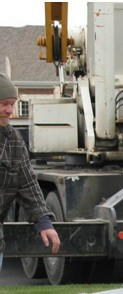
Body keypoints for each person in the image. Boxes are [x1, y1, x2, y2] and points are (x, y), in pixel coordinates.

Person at [0, 73, 60, 272]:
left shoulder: (13, 140)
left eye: (12, 104)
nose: (9, 111)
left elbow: (27, 184)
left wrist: (44, 222)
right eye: (3, 104)